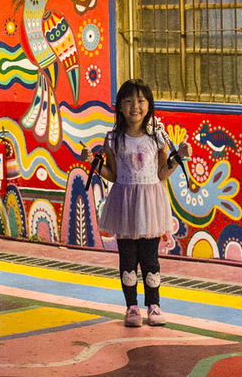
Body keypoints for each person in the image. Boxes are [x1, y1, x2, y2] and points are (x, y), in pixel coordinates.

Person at [81, 79, 191, 327]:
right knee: (127, 260)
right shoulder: (113, 139)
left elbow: (162, 173)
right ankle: (131, 308)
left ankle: (154, 306)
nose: (135, 106)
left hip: (150, 206)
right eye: (129, 101)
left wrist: (178, 157)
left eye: (141, 100)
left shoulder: (158, 138)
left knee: (150, 260)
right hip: (124, 205)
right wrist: (93, 163)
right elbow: (113, 175)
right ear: (119, 106)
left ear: (149, 105)